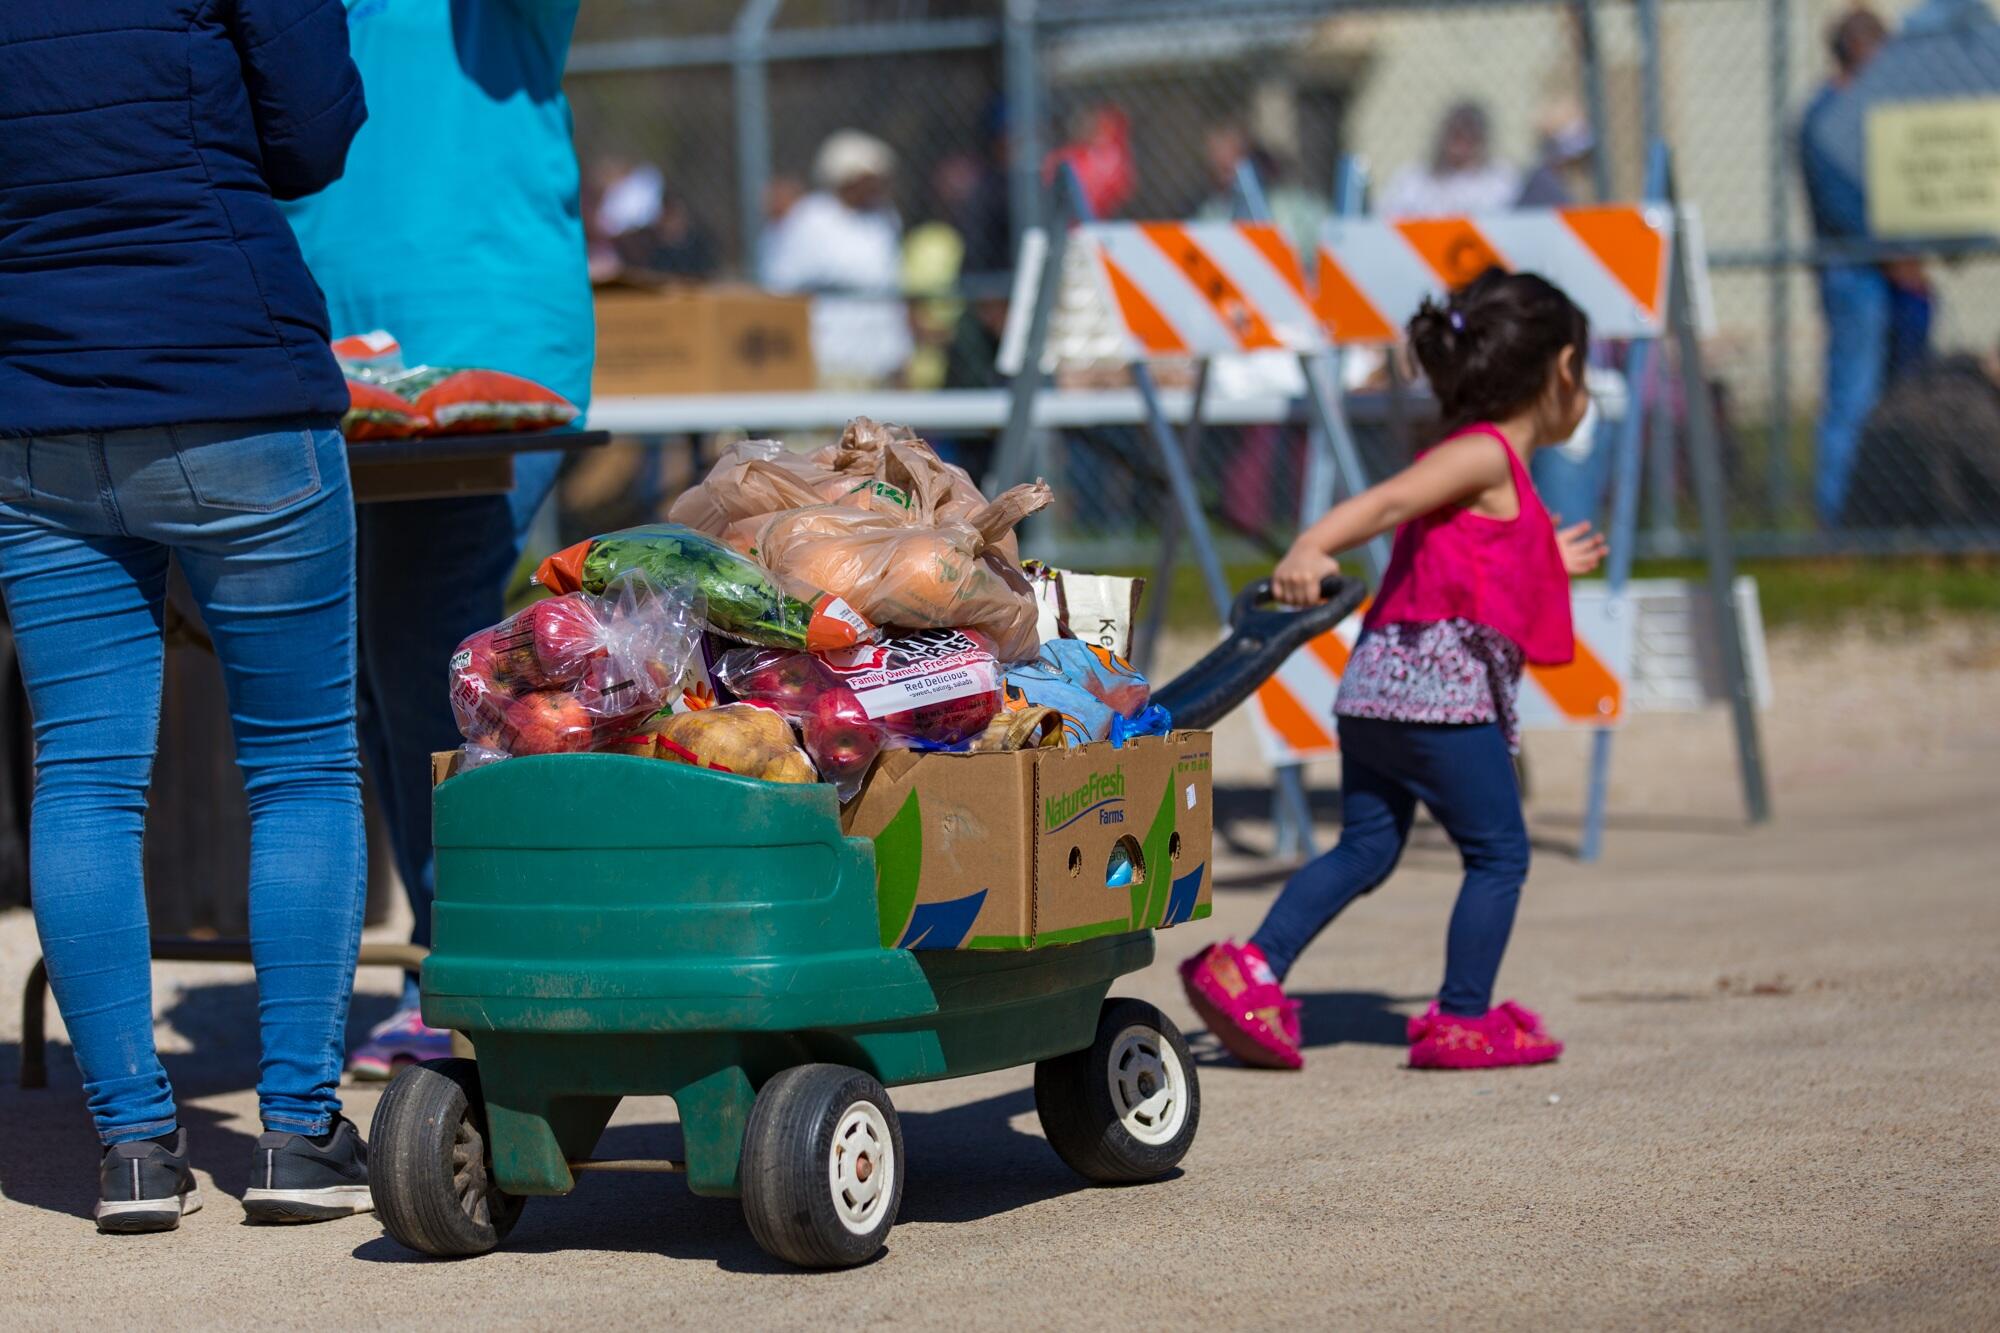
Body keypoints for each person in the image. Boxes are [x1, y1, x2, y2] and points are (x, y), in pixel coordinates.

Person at [0, 1, 374, 1230]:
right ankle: (298, 1134)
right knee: (301, 765)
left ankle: (131, 1150)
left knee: (82, 777)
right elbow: (314, 137)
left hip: (34, 408)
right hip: (233, 377)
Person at [1179, 269, 1608, 1073]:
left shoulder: (1492, 467)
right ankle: (1463, 1017)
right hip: (1440, 702)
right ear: (1563, 369)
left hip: (1377, 696)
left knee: (1368, 847)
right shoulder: (1484, 451)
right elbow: (1386, 503)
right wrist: (1311, 546)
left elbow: (1474, 557)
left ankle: (1253, 968)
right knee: (1499, 854)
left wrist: (1546, 550)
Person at [281, 0, 594, 1078]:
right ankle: (449, 946)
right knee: (380, 674)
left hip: (486, 341)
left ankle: (470, 962)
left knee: (426, 652)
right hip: (326, 345)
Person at [1800, 7, 1934, 526]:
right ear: (1857, 52)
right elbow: (1843, 205)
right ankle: (1838, 521)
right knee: (1852, 397)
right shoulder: (1827, 117)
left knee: (1904, 396)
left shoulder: (1877, 113)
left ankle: (1899, 513)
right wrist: (1892, 254)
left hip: (1891, 271)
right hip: (1854, 275)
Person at [763, 131, 914, 387]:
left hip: (882, 364)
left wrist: (900, 355)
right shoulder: (811, 219)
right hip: (833, 363)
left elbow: (891, 290)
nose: (877, 187)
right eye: (868, 179)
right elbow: (781, 286)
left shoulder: (885, 219)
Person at [1380, 101, 1522, 219]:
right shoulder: (1413, 180)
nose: (1462, 141)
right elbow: (1386, 218)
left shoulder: (1500, 179)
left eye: (1470, 133)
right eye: (1456, 133)